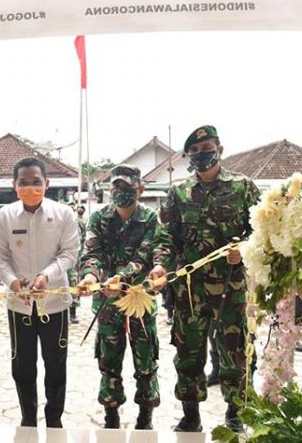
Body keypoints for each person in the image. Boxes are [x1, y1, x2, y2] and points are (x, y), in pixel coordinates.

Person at [158, 125, 260, 432]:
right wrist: (161, 266)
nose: (202, 155)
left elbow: (260, 234)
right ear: (188, 156)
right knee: (189, 351)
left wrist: (243, 250)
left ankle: (235, 413)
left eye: (208, 149)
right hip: (190, 290)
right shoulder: (177, 193)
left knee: (234, 350)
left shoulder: (244, 187)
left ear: (220, 150)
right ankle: (191, 414)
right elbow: (166, 237)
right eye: (195, 152)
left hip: (231, 287)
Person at [77, 164, 169, 430]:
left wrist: (123, 277)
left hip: (140, 299)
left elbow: (144, 255)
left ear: (139, 189)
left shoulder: (150, 218)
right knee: (108, 361)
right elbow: (92, 253)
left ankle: (145, 415)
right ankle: (111, 414)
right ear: (109, 189)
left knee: (146, 359)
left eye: (127, 187)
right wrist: (91, 277)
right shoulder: (98, 219)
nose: (121, 191)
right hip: (107, 301)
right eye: (116, 186)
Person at [0, 157, 79, 428]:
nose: (30, 188)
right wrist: (11, 281)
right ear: (14, 185)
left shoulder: (64, 214)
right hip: (19, 305)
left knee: (55, 366)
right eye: (24, 183)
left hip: (55, 302)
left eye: (36, 182)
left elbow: (69, 253)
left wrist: (46, 276)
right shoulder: (4, 216)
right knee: (22, 366)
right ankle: (28, 418)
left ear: (47, 183)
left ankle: (54, 419)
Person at [67, 204, 87, 324]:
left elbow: (82, 241)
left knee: (73, 284)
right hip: (59, 261)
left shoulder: (77, 223)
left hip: (74, 261)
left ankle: (72, 313)